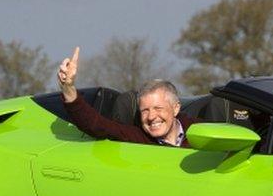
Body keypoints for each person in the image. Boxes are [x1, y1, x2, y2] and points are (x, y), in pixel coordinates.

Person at [57, 46, 194, 147]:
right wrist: (68, 88)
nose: (151, 117)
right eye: (145, 110)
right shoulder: (137, 138)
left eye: (158, 108)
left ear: (175, 109)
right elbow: (96, 125)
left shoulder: (198, 129)